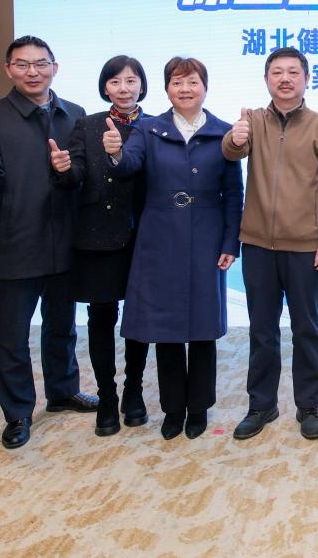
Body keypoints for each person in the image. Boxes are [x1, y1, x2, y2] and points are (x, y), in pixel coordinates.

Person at [0, 35, 96, 450]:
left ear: (55, 67)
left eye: (41, 64)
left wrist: (68, 170)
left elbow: (82, 177)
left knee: (62, 326)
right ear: (8, 70)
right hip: (14, 243)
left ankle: (63, 390)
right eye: (22, 64)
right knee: (12, 337)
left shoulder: (75, 114)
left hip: (65, 241)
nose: (33, 72)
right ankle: (18, 412)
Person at [105, 57, 242, 440]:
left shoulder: (223, 133)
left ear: (205, 87)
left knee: (202, 327)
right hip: (159, 238)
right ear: (166, 89)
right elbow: (129, 164)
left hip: (208, 238)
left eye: (193, 82)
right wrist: (116, 152)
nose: (185, 89)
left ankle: (198, 408)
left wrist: (230, 241)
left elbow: (234, 194)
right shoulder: (148, 129)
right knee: (165, 329)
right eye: (177, 82)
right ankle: (172, 408)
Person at [222, 47, 318, 441]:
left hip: (306, 247)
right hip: (258, 245)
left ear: (307, 79)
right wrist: (235, 137)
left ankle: (308, 406)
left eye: (294, 72)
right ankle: (261, 405)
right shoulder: (254, 121)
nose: (285, 79)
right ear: (266, 80)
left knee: (306, 329)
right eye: (277, 72)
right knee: (262, 330)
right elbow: (231, 151)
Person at [53, 55, 152, 437]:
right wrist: (63, 169)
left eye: (131, 81)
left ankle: (134, 391)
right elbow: (75, 174)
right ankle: (107, 397)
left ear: (142, 85)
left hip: (144, 236)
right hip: (97, 235)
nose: (124, 89)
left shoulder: (154, 125)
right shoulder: (87, 125)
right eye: (115, 82)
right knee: (101, 318)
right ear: (105, 87)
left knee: (139, 318)